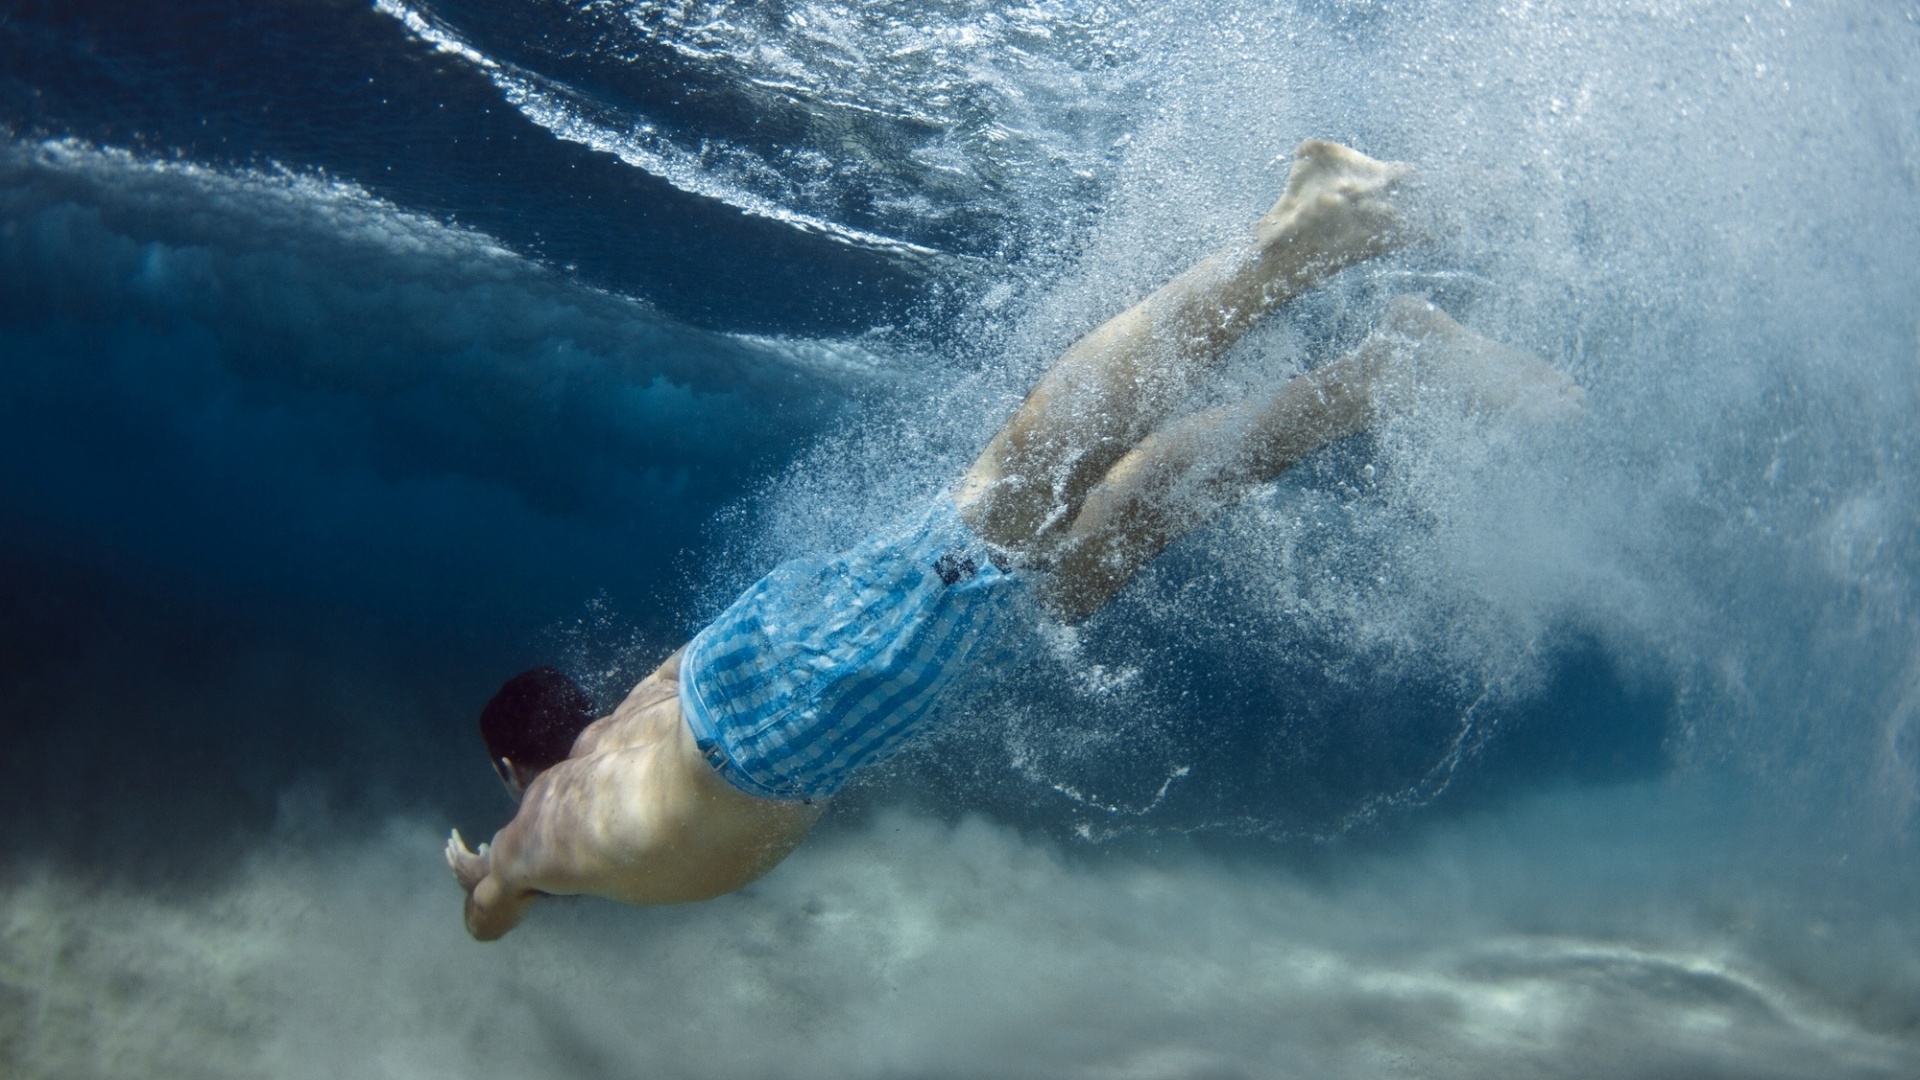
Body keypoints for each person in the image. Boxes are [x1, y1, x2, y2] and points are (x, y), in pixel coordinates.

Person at [445, 140, 1582, 940]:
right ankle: (1384, 370)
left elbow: (490, 914)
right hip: (753, 688)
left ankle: (1308, 232)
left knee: (1016, 490)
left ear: (513, 767)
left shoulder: (540, 826)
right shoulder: (609, 749)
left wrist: (476, 871)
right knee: (1103, 536)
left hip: (769, 724)